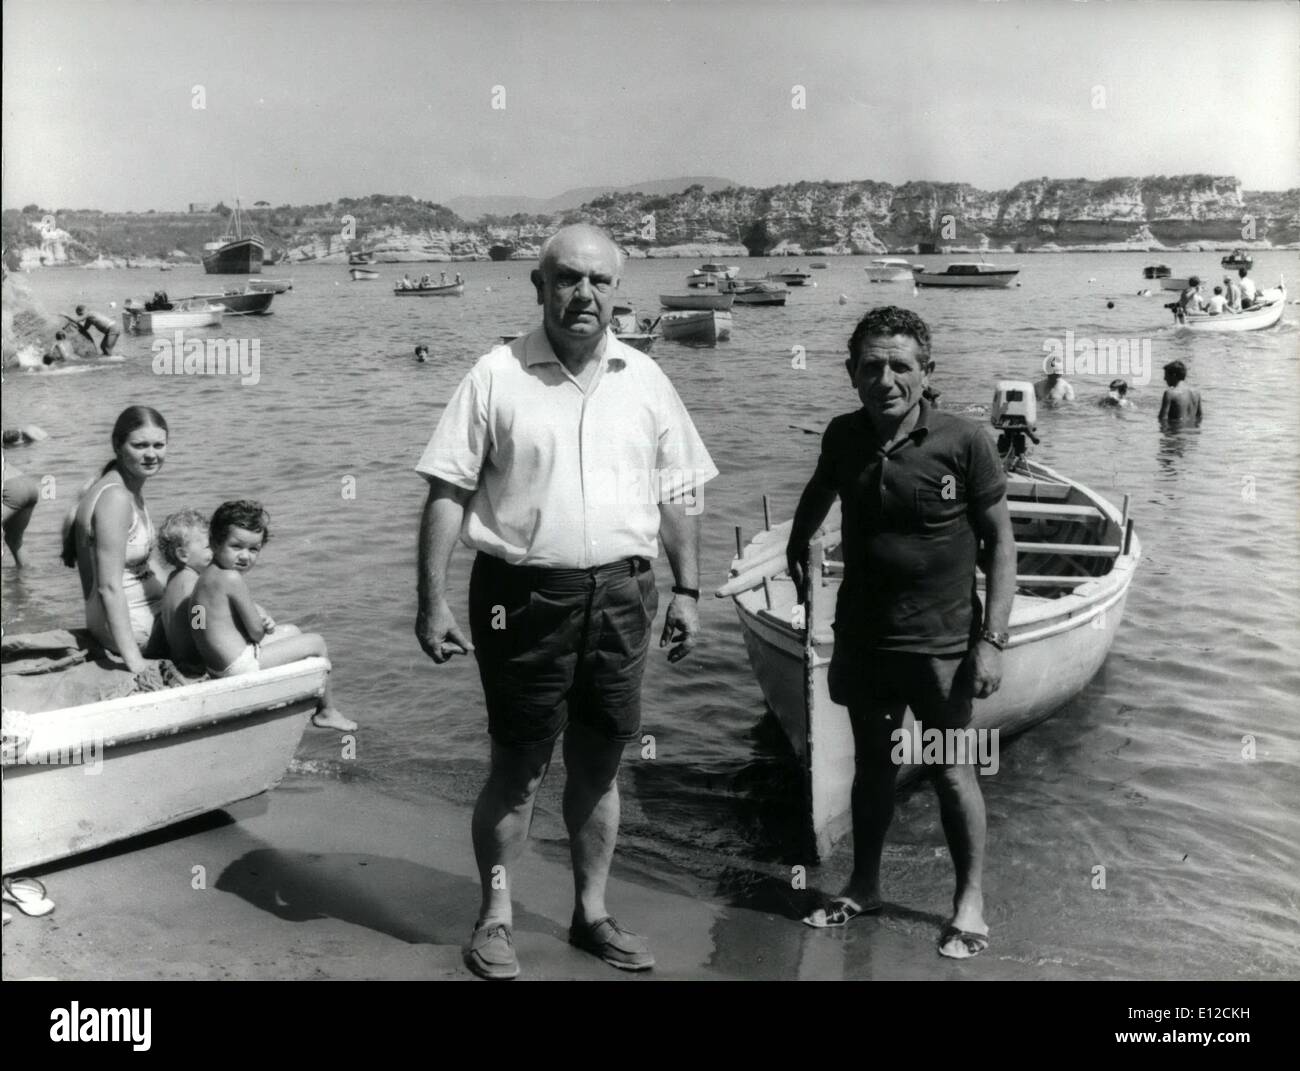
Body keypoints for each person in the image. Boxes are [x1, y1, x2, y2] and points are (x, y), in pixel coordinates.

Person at [414, 223, 717, 980]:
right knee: (517, 768)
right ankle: (495, 916)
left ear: (618, 290)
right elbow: (448, 492)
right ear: (540, 287)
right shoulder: (495, 374)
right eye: (569, 279)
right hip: (520, 598)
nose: (585, 295)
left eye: (600, 281)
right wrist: (431, 601)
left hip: (623, 594)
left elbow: (680, 491)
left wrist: (688, 589)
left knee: (600, 765)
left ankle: (591, 913)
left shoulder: (645, 377)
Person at [787, 306, 1016, 960]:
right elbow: (819, 491)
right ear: (852, 372)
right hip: (864, 637)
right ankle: (864, 884)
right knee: (871, 766)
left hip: (942, 648)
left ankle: (969, 902)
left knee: (949, 769)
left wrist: (992, 639)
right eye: (871, 366)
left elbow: (1001, 543)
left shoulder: (965, 441)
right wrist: (797, 548)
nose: (885, 378)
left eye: (900, 366)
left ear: (926, 371)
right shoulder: (843, 435)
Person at [191, 500, 357, 731]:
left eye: (253, 549)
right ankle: (327, 712)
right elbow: (256, 634)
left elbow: (203, 619)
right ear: (215, 543)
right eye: (236, 546)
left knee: (293, 632)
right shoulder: (232, 578)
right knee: (316, 642)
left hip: (217, 664)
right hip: (239, 666)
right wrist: (262, 623)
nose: (245, 556)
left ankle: (295, 697)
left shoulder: (207, 575)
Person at [61, 407, 169, 671]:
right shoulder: (116, 499)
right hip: (134, 630)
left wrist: (192, 595)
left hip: (145, 617)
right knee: (215, 617)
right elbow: (108, 587)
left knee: (208, 599)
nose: (151, 454)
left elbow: (148, 566)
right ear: (117, 446)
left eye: (159, 445)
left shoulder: (127, 489)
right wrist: (134, 662)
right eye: (140, 445)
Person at [157, 509, 214, 674]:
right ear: (182, 554)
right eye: (209, 546)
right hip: (199, 664)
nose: (216, 550)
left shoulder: (173, 579)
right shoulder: (195, 586)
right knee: (291, 633)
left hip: (181, 658)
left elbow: (162, 623)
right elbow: (200, 628)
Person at [1158, 360, 1202, 426]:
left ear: (1173, 375)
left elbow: (1163, 419)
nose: (1164, 379)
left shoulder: (1170, 393)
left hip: (1175, 433)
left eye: (1166, 375)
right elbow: (1199, 417)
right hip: (1191, 434)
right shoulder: (1196, 393)